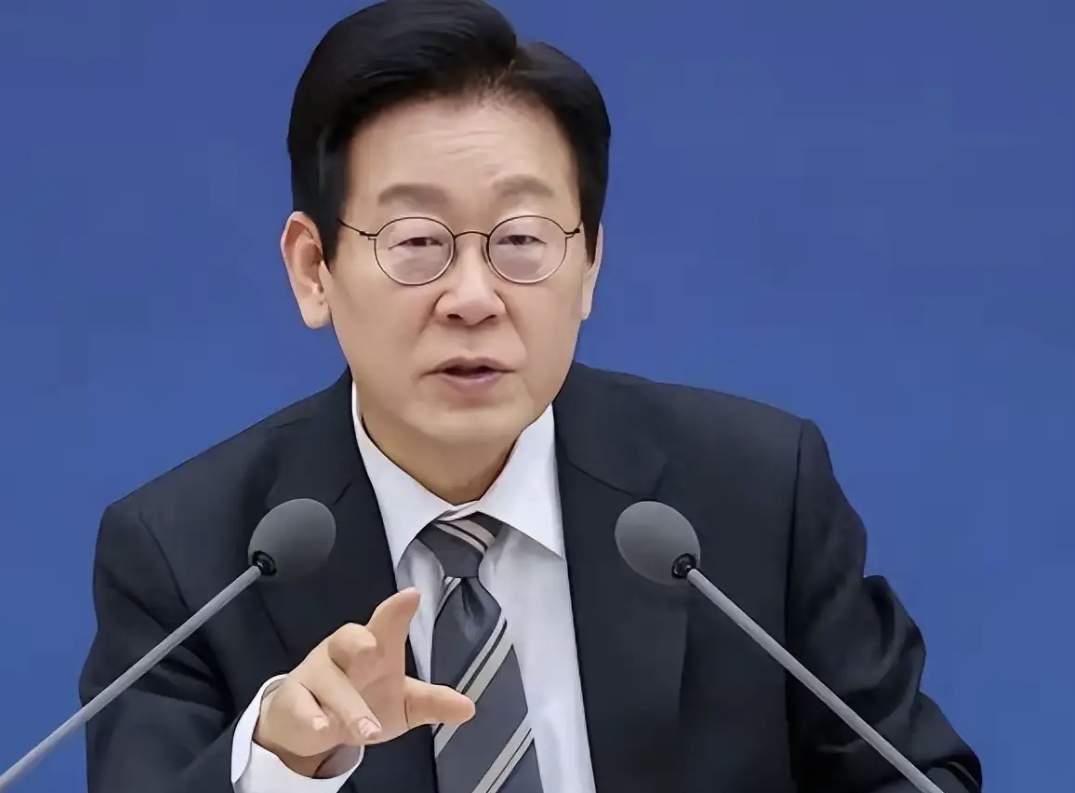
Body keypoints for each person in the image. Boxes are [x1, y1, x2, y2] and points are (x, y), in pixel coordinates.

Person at [78, 1, 983, 791]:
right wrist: (282, 763)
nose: (473, 297)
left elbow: (914, 774)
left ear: (588, 264)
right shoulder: (189, 560)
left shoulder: (753, 496)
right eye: (417, 241)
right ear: (313, 269)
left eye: (519, 240)